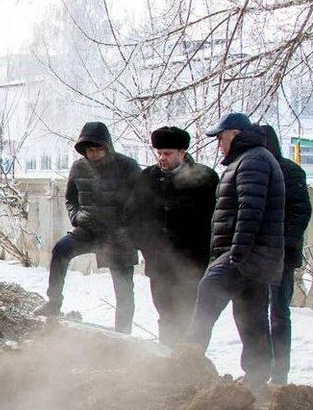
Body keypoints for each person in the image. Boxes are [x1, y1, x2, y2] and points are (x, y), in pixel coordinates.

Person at [185, 113, 285, 392]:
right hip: (256, 256)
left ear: (236, 133)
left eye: (221, 136)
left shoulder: (252, 160)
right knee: (250, 316)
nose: (218, 143)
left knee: (209, 290)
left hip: (244, 253)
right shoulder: (254, 158)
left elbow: (250, 210)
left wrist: (236, 253)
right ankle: (256, 377)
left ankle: (187, 360)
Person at [38, 122, 141, 333]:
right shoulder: (78, 167)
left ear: (107, 147)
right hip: (88, 230)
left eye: (97, 149)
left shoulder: (127, 166)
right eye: (89, 150)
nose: (93, 154)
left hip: (118, 235)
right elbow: (70, 198)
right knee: (60, 250)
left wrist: (128, 226)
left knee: (124, 290)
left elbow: (142, 200)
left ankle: (123, 335)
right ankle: (53, 303)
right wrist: (76, 217)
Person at [129, 126, 218, 346]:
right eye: (159, 153)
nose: (162, 158)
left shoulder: (204, 178)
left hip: (192, 261)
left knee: (189, 314)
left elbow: (215, 218)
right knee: (165, 313)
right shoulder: (148, 177)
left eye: (167, 153)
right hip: (159, 261)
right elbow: (133, 215)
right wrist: (145, 245)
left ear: (182, 152)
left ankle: (191, 362)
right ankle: (167, 359)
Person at [259, 124, 311, 384]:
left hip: (281, 256)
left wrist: (285, 244)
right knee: (255, 312)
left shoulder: (290, 171)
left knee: (278, 313)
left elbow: (301, 211)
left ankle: (280, 373)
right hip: (254, 254)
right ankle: (259, 369)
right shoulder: (251, 171)